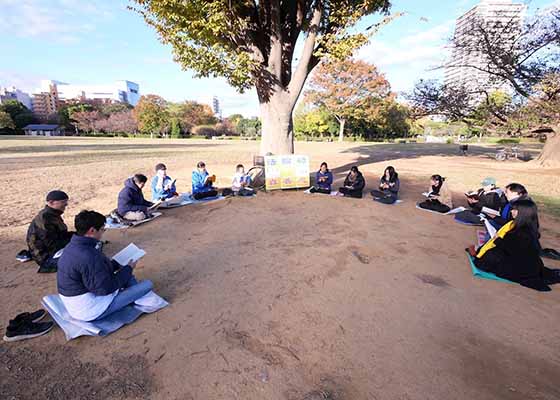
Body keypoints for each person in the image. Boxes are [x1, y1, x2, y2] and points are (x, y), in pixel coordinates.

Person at [57, 210, 154, 321]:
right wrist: (128, 269)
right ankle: (137, 295)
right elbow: (104, 289)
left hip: (77, 301)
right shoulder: (89, 255)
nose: (103, 233)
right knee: (147, 285)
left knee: (126, 275)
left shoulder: (73, 246)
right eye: (102, 229)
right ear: (92, 230)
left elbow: (95, 271)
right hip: (89, 310)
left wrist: (117, 264)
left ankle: (133, 290)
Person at [471, 200, 560, 291]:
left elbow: (508, 248)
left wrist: (497, 239)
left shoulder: (520, 231)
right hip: (526, 262)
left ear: (523, 213)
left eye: (515, 210)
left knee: (489, 258)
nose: (512, 211)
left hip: (519, 267)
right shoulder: (526, 226)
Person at [26, 190, 74, 273]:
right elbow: (52, 245)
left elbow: (61, 235)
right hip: (46, 259)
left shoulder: (52, 215)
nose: (66, 205)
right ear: (51, 202)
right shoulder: (45, 218)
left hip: (51, 252)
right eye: (63, 202)